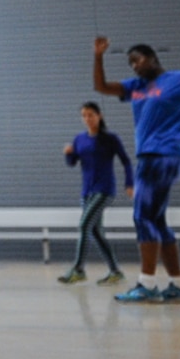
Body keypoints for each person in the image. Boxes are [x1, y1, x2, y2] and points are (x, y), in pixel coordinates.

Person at [92, 37, 180, 304]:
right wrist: (98, 56)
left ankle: (147, 285)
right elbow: (102, 87)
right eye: (130, 63)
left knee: (142, 217)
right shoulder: (136, 87)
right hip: (152, 158)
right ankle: (179, 285)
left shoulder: (179, 80)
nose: (134, 66)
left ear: (152, 58)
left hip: (163, 155)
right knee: (157, 221)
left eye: (137, 60)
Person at [59, 102, 132, 286]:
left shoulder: (110, 139)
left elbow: (126, 161)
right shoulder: (79, 139)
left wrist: (129, 183)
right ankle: (115, 271)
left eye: (91, 115)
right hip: (87, 192)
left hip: (104, 190)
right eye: (84, 115)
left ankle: (78, 269)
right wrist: (68, 153)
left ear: (99, 116)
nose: (87, 119)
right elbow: (72, 162)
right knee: (95, 231)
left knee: (84, 225)